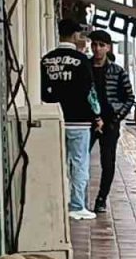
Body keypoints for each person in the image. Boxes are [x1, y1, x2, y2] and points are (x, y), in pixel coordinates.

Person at [41, 18, 101, 221]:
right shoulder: (81, 60)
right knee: (79, 163)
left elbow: (43, 92)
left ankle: (55, 202)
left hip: (55, 118)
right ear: (75, 36)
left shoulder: (46, 60)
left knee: (58, 162)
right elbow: (89, 93)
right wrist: (97, 116)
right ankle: (77, 205)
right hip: (80, 120)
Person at [87, 30, 134, 214]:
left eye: (101, 45)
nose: (97, 49)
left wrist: (117, 117)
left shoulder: (117, 71)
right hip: (89, 121)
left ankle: (101, 198)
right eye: (94, 45)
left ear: (108, 47)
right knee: (80, 160)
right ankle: (78, 198)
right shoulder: (86, 67)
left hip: (110, 122)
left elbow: (129, 97)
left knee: (108, 161)